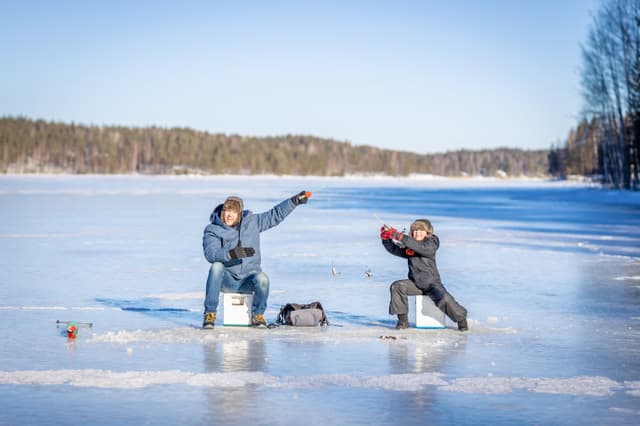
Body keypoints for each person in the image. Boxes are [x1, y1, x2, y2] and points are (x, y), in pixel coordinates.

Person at [201, 191, 310, 328]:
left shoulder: (252, 222)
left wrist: (293, 202)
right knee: (216, 267)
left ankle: (257, 315)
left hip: (248, 279)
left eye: (233, 212)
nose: (229, 215)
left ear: (239, 214)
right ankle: (210, 314)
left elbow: (274, 215)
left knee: (262, 278)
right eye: (226, 211)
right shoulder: (213, 230)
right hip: (227, 280)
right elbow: (211, 254)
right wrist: (231, 254)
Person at [380, 219, 468, 331]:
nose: (418, 232)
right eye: (415, 230)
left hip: (432, 284)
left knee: (444, 299)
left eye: (421, 230)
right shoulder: (410, 246)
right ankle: (402, 322)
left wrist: (400, 236)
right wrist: (386, 239)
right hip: (415, 284)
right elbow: (395, 249)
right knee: (397, 287)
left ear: (428, 232)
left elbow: (423, 249)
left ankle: (462, 321)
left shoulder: (432, 242)